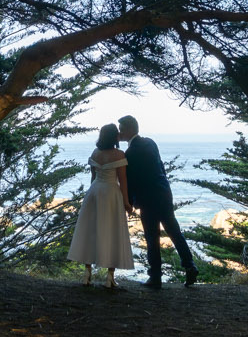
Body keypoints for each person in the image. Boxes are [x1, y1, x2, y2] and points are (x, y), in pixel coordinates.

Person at [119, 114, 200, 288]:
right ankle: (190, 265)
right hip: (163, 193)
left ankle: (155, 277)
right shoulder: (151, 142)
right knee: (174, 232)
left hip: (147, 199)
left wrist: (129, 203)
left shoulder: (130, 152)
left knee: (152, 236)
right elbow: (160, 166)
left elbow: (131, 180)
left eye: (122, 129)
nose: (120, 132)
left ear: (129, 130)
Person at [67, 123, 134, 288]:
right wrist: (126, 202)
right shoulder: (119, 154)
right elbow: (123, 181)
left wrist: (92, 195)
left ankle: (86, 273)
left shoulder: (95, 153)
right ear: (114, 137)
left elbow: (93, 177)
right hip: (111, 193)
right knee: (113, 230)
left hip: (94, 191)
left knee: (91, 230)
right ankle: (110, 277)